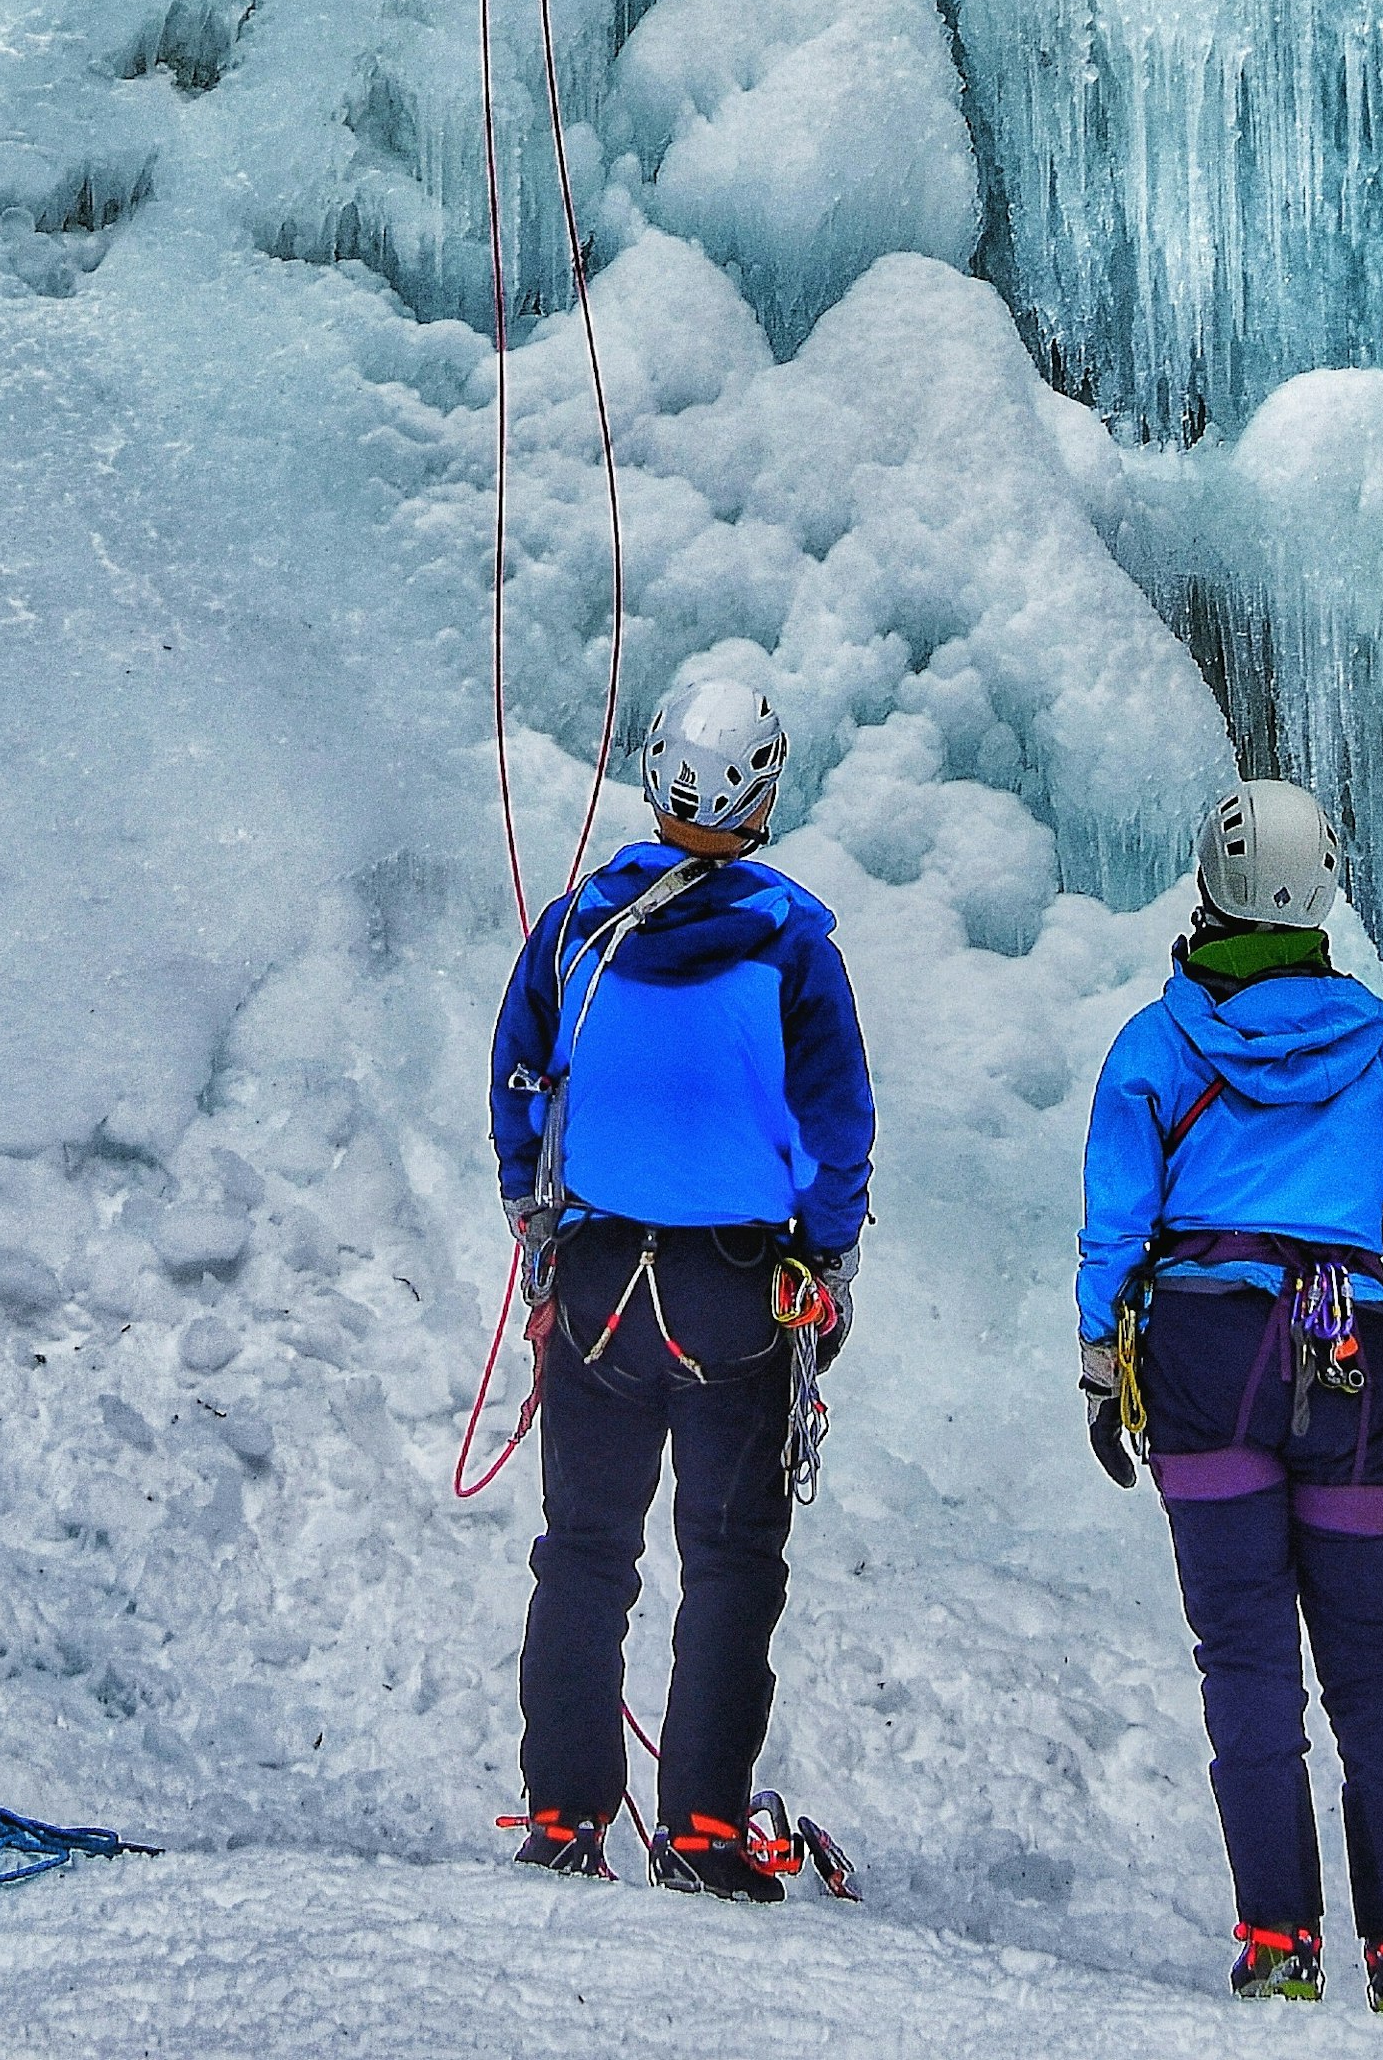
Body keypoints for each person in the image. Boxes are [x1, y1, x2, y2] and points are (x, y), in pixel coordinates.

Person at [1076, 780, 1383, 2022]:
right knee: (1374, 1666)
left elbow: (1114, 1223)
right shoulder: (1382, 1045)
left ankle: (1279, 1939)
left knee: (1245, 1653)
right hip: (1352, 1347)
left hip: (1206, 1350)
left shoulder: (1157, 1043)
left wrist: (1103, 1363)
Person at [488, 655, 871, 1898]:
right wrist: (829, 1256)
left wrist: (530, 1220)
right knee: (731, 1556)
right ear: (762, 789)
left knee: (585, 1548)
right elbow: (833, 1128)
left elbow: (521, 1079)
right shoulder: (793, 942)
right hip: (734, 1293)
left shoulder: (578, 926)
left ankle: (563, 1813)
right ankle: (703, 1826)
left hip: (596, 1278)